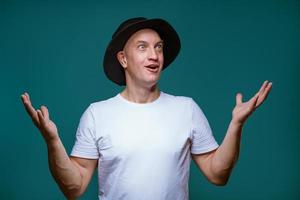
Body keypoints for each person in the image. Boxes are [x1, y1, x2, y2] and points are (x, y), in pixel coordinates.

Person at [21, 17, 272, 200]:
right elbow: (73, 188)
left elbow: (218, 174)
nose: (154, 55)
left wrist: (236, 125)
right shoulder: (97, 114)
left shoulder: (186, 109)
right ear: (123, 59)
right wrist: (52, 140)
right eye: (142, 47)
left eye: (158, 47)